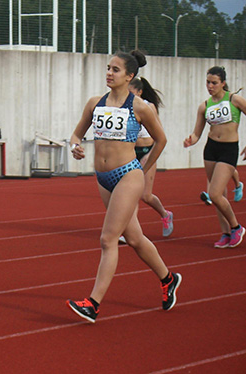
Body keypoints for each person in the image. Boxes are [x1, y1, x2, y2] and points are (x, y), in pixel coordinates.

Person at [66, 50, 181, 323]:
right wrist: (75, 146)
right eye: (108, 67)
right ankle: (168, 279)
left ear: (130, 76)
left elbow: (161, 140)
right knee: (134, 238)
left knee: (108, 239)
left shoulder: (139, 106)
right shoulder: (95, 103)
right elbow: (76, 133)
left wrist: (143, 167)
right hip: (103, 178)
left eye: (115, 69)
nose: (109, 72)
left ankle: (93, 304)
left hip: (128, 176)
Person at [184, 66, 246, 248]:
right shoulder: (204, 106)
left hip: (229, 149)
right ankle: (225, 233)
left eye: (214, 83)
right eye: (208, 82)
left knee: (214, 193)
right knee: (221, 194)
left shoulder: (235, 100)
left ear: (223, 83)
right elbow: (197, 133)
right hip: (211, 149)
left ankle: (236, 227)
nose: (210, 86)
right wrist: (191, 139)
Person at [129, 77, 173, 237]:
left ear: (139, 92)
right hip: (132, 152)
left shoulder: (149, 107)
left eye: (131, 92)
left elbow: (159, 133)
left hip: (148, 150)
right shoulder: (125, 107)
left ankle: (165, 214)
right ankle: (129, 230)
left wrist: (151, 154)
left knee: (145, 195)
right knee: (130, 193)